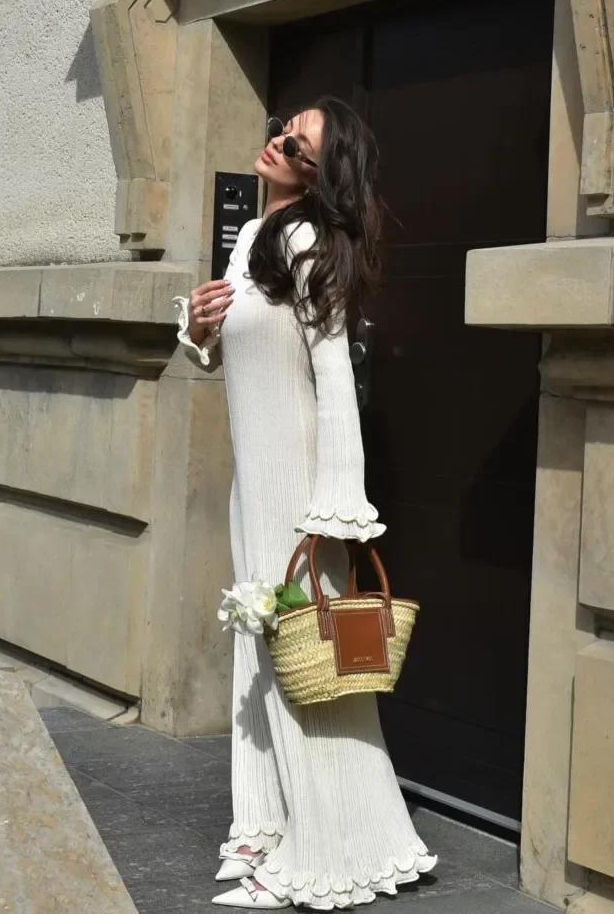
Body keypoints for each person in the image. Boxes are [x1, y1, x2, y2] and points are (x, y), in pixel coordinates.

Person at [173, 96, 437, 910]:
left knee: (307, 671)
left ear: (322, 175)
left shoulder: (311, 244)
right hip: (252, 481)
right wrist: (198, 327)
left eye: (298, 143)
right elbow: (229, 359)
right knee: (262, 662)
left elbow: (332, 381)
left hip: (299, 488)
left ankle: (337, 843)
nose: (278, 141)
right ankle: (268, 825)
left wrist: (336, 502)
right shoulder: (255, 236)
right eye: (284, 126)